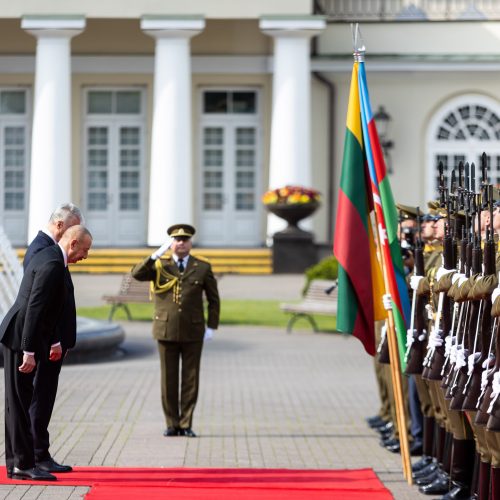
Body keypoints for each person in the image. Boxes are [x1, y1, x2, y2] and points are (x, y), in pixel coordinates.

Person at [0, 225, 92, 481]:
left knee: (17, 404)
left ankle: (19, 464)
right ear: (72, 243)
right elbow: (35, 309)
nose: (86, 255)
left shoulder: (50, 256)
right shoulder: (53, 265)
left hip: (21, 337)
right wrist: (29, 350)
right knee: (18, 405)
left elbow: (48, 310)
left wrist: (53, 341)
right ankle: (23, 465)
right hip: (20, 339)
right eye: (85, 250)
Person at [132, 224, 220, 438]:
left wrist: (211, 326)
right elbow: (136, 274)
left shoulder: (202, 267)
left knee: (190, 378)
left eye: (185, 239)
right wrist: (155, 255)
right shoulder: (159, 265)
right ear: (171, 243)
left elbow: (213, 299)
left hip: (193, 329)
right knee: (168, 379)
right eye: (177, 239)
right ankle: (172, 423)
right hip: (166, 329)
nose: (181, 243)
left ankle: (186, 423)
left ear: (190, 243)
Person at [23, 203, 84, 474]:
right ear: (60, 225)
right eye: (73, 228)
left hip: (52, 341)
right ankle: (37, 455)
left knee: (45, 398)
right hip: (47, 342)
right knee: (40, 397)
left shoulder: (50, 249)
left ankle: (40, 452)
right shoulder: (41, 250)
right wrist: (56, 340)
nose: (76, 236)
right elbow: (42, 304)